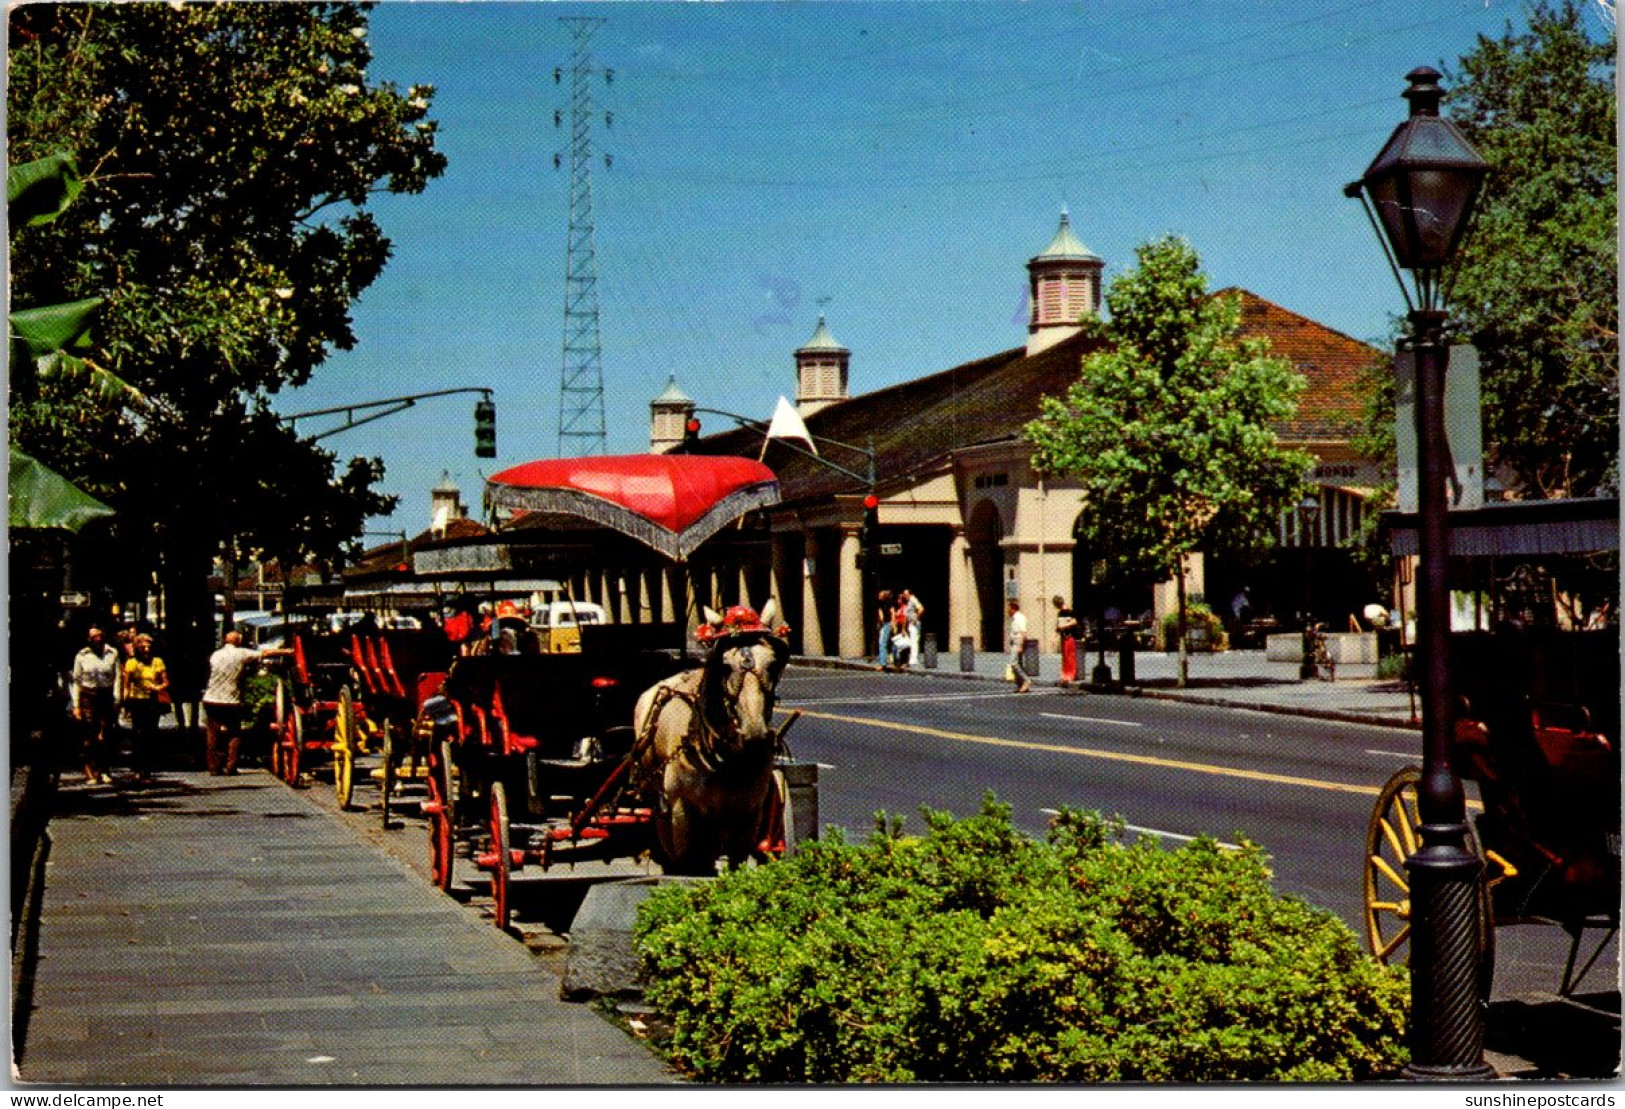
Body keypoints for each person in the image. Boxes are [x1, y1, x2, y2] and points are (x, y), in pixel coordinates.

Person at [202, 630, 290, 776]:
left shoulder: (215, 655)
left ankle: (214, 766)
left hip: (212, 698)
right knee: (234, 733)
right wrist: (286, 651)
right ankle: (231, 766)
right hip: (231, 699)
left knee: (213, 733)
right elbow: (264, 653)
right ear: (237, 641)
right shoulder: (241, 653)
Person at [70, 626, 121, 784]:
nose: (98, 639)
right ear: (88, 639)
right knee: (89, 735)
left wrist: (117, 699)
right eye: (94, 637)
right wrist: (76, 705)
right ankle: (89, 769)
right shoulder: (81, 656)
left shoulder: (112, 653)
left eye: (100, 635)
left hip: (106, 696)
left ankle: (104, 770)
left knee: (104, 735)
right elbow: (76, 681)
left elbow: (117, 677)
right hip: (88, 697)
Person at [121, 634, 169, 782]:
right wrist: (124, 702)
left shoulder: (157, 662)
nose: (146, 650)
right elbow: (126, 684)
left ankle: (147, 768)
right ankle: (137, 767)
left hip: (152, 700)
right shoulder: (132, 663)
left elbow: (166, 682)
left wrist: (157, 687)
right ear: (137, 649)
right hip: (136, 700)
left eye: (148, 647)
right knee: (138, 734)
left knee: (151, 734)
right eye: (143, 648)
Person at [1006, 600, 1033, 693]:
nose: (1007, 610)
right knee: (1019, 664)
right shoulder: (1014, 618)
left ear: (1013, 608)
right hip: (1015, 642)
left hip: (1018, 642)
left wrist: (1020, 645)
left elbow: (1023, 632)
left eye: (1008, 608)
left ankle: (1026, 680)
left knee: (1013, 663)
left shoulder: (1019, 618)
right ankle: (1021, 684)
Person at [899, 589, 925, 669]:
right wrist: (904, 628)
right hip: (910, 623)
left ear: (910, 594)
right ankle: (912, 657)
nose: (905, 596)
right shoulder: (909, 602)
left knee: (914, 640)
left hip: (914, 623)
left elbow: (921, 608)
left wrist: (916, 618)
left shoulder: (913, 599)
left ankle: (914, 659)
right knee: (911, 641)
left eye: (906, 594)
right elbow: (907, 616)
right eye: (904, 595)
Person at [874, 590, 895, 669]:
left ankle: (882, 663)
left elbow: (882, 616)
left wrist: (880, 623)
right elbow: (893, 613)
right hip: (889, 623)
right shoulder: (889, 604)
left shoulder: (881, 604)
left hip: (886, 624)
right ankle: (895, 660)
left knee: (882, 643)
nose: (879, 596)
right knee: (891, 642)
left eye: (880, 595)